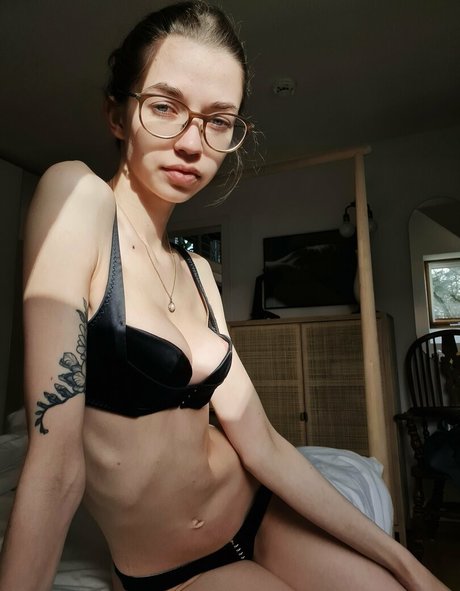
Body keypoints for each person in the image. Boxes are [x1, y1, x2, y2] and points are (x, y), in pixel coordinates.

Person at [0, 2, 451, 590]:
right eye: (165, 106)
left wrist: (406, 562)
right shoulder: (77, 198)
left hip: (259, 511)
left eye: (218, 120)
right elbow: (55, 466)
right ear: (116, 114)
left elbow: (263, 446)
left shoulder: (198, 272)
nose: (193, 143)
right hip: (174, 566)